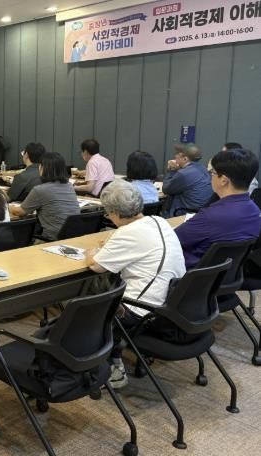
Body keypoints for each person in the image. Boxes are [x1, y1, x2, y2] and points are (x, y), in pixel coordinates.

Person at [84, 180, 186, 388]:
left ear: (114, 212)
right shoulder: (159, 221)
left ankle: (112, 369)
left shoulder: (127, 233)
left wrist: (90, 252)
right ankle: (112, 357)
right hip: (172, 304)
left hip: (140, 312)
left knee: (89, 304)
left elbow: (95, 265)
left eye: (108, 213)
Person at [175, 148, 261, 269]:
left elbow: (172, 239)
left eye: (213, 172)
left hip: (191, 274)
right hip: (226, 275)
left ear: (223, 180)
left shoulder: (210, 217)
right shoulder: (255, 212)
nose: (211, 176)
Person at [10, 152, 80, 241]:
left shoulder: (40, 190)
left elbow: (20, 212)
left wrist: (7, 207)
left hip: (52, 240)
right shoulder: (69, 185)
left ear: (43, 168)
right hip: (73, 237)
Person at [162, 143, 212, 216]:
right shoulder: (203, 168)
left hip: (184, 213)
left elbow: (166, 189)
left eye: (177, 154)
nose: (175, 156)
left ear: (185, 159)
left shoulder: (183, 174)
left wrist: (171, 170)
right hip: (200, 212)